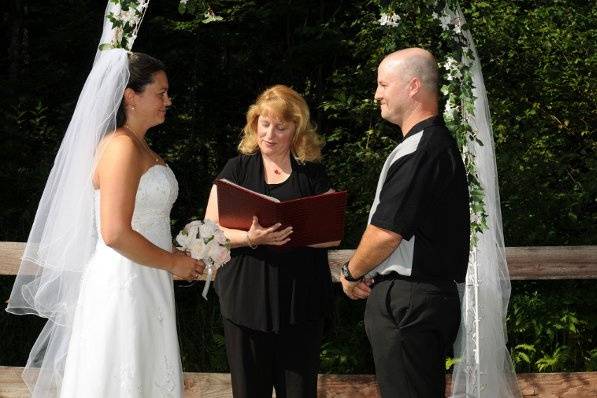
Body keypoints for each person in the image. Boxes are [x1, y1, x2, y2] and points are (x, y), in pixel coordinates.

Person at [7, 50, 204, 397]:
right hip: (125, 280)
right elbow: (113, 232)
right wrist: (173, 262)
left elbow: (144, 222)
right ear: (131, 96)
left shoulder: (138, 146)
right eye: (160, 93)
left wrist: (177, 255)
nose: (168, 101)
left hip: (148, 276)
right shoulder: (121, 147)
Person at [339, 48, 470, 397]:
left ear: (413, 87)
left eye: (383, 84)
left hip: (410, 302)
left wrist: (351, 272)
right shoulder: (431, 145)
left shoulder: (422, 149)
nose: (376, 94)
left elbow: (386, 233)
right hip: (420, 299)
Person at [205, 85, 338, 398]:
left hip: (300, 305)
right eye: (264, 124)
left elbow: (332, 232)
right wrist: (251, 238)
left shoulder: (313, 176)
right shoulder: (235, 170)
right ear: (255, 124)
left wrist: (296, 234)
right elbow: (208, 232)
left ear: (296, 130)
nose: (270, 134)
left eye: (281, 127)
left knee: (299, 392)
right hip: (244, 303)